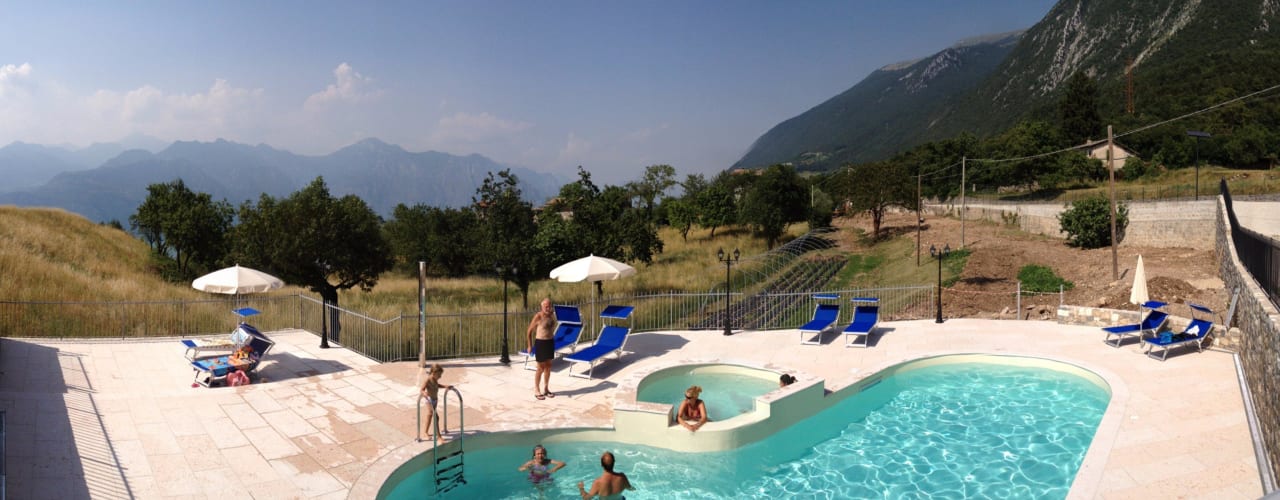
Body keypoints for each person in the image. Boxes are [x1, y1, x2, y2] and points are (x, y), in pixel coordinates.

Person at [526, 297, 557, 400]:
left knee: (548, 366)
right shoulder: (538, 316)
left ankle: (546, 388)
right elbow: (529, 331)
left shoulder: (552, 315)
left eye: (549, 306)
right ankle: (536, 389)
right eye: (546, 306)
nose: (548, 308)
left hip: (550, 342)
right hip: (541, 343)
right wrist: (530, 345)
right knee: (540, 367)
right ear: (542, 306)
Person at [418, 363, 452, 441]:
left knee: (429, 416)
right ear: (433, 373)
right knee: (435, 416)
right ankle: (439, 436)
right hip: (429, 400)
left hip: (435, 400)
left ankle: (425, 431)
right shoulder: (428, 380)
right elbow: (421, 389)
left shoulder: (435, 380)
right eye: (439, 374)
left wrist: (445, 386)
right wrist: (425, 394)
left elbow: (437, 385)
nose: (440, 376)